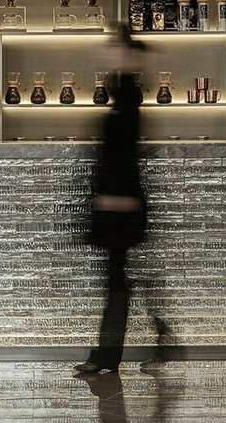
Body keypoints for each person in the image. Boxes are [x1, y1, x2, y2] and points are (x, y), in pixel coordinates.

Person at [74, 25, 166, 374]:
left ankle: (108, 354)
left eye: (113, 46)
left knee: (118, 283)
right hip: (118, 204)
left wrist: (116, 197)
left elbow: (125, 154)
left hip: (120, 207)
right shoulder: (122, 94)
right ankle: (159, 337)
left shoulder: (127, 98)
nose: (106, 51)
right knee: (124, 281)